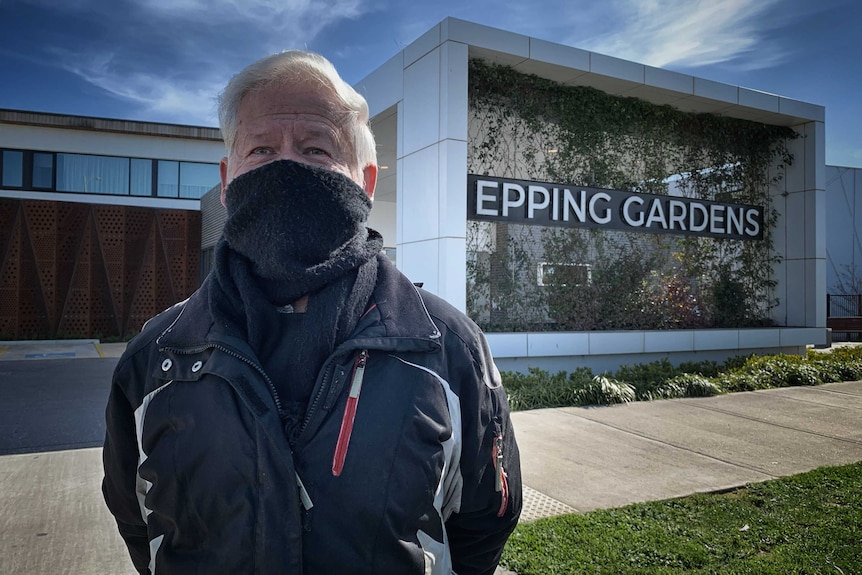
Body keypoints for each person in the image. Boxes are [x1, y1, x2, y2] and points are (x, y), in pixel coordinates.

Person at [102, 49, 521, 575]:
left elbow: (483, 523)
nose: (286, 166)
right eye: (261, 149)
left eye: (316, 149)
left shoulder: (448, 348)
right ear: (228, 181)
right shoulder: (154, 358)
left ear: (366, 183)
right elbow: (139, 522)